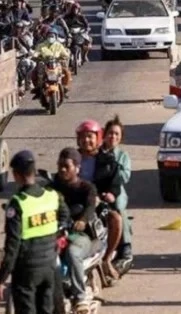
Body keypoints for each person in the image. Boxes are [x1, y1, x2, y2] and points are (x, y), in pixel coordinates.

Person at [0, 150, 69, 314]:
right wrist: (55, 235)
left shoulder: (18, 203)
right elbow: (65, 217)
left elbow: (12, 248)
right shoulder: (52, 196)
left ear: (16, 175)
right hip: (49, 267)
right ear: (34, 171)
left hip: (27, 272)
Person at [50, 148, 100, 311]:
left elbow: (90, 207)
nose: (62, 170)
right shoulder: (51, 188)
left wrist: (83, 220)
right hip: (55, 233)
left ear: (77, 168)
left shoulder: (87, 188)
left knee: (72, 253)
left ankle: (80, 296)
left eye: (66, 166)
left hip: (80, 236)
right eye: (60, 166)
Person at [75, 121, 123, 280]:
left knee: (116, 219)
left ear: (98, 138)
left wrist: (110, 194)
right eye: (82, 137)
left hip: (99, 204)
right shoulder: (72, 158)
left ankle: (107, 259)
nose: (86, 140)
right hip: (74, 204)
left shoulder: (108, 161)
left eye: (90, 137)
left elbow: (115, 183)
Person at [102, 117, 133, 273]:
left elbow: (124, 177)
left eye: (116, 134)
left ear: (120, 137)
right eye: (110, 133)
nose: (113, 137)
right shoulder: (97, 153)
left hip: (116, 191)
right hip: (98, 190)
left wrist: (113, 166)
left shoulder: (123, 156)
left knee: (119, 208)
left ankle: (125, 246)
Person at [32, 25, 72, 100]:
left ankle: (65, 88)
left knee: (67, 72)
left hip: (56, 63)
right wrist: (35, 56)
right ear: (46, 36)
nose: (51, 37)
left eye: (53, 36)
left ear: (56, 37)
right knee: (34, 73)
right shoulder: (41, 45)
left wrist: (65, 56)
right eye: (49, 35)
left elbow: (65, 54)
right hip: (44, 64)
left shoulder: (59, 45)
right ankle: (38, 89)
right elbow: (36, 52)